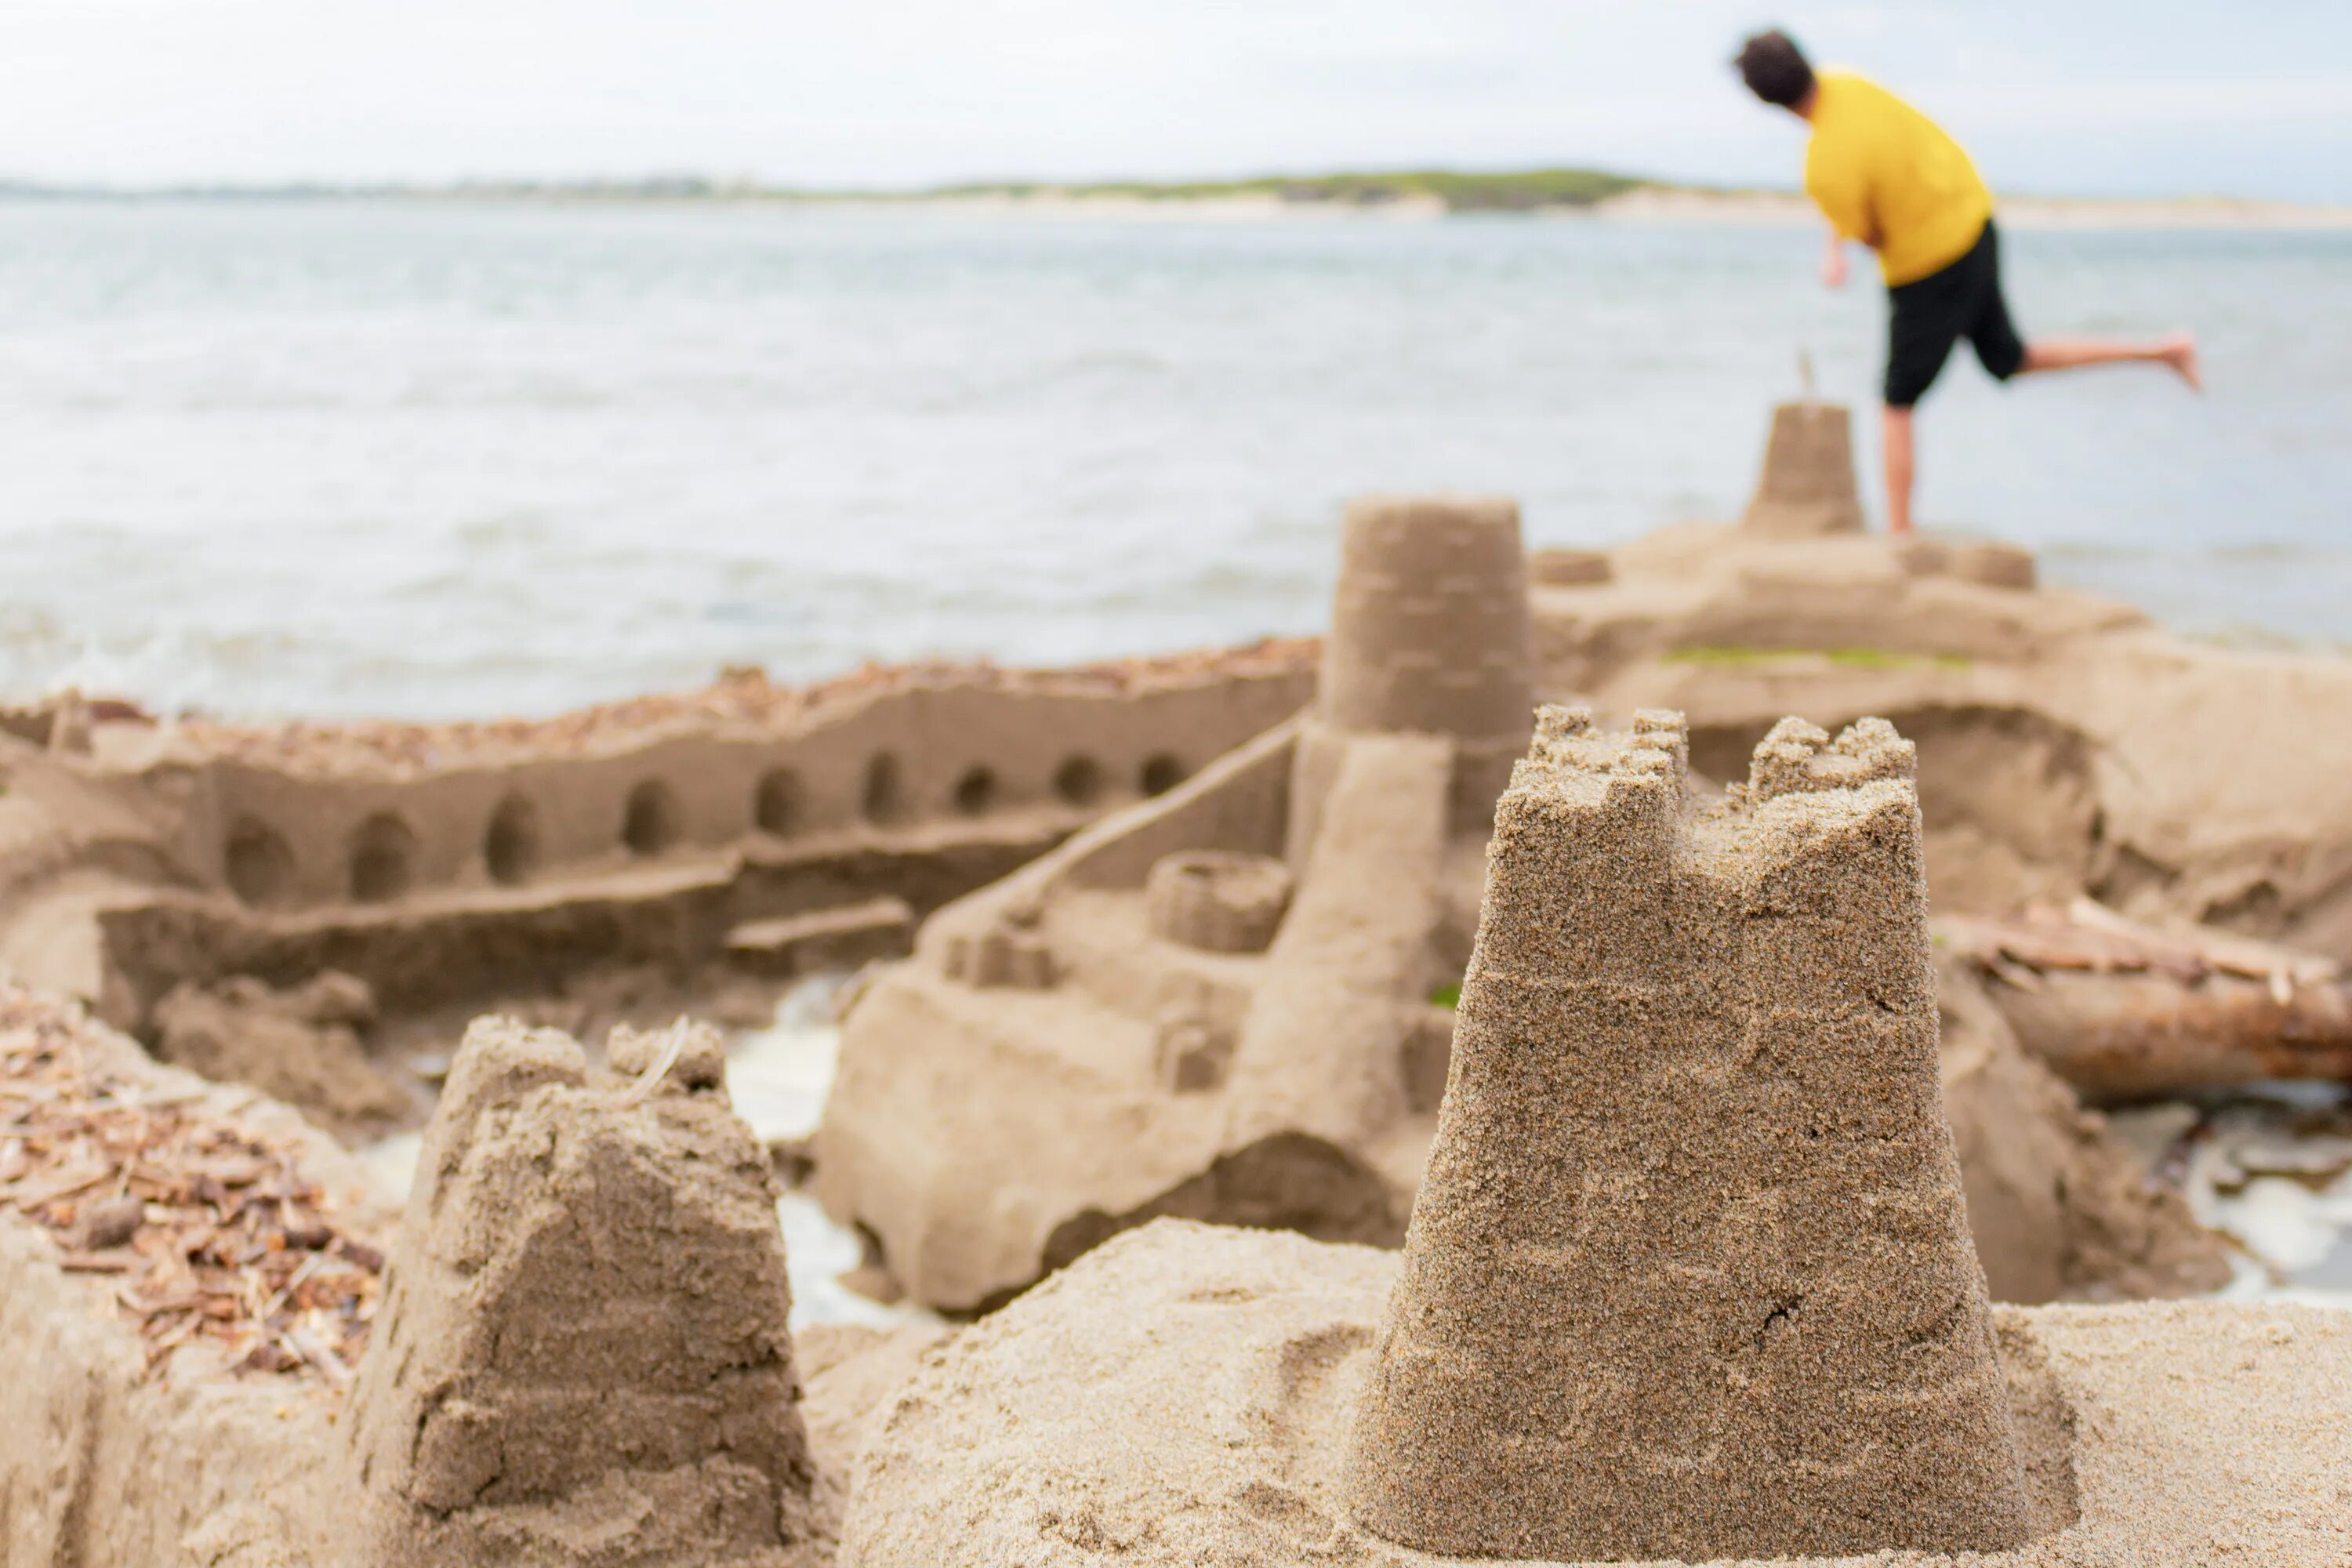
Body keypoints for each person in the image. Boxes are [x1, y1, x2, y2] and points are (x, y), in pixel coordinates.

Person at [1733, 28, 2199, 536]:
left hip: (1927, 265)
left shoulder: (1823, 165)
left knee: (1896, 402)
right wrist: (1836, 241)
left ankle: (1899, 536)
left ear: (1766, 101)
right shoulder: (1850, 84)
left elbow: (1868, 232)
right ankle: (2163, 351)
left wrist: (1842, 247)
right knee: (2011, 358)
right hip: (1975, 222)